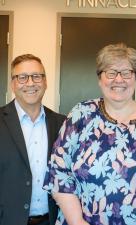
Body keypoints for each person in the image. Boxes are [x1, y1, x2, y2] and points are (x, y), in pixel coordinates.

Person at [43, 43, 136, 225]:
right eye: (111, 72)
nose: (118, 80)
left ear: (135, 78)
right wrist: (77, 222)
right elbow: (58, 170)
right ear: (100, 78)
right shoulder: (81, 114)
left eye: (126, 72)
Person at [0, 54, 66, 225]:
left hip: (51, 220)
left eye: (36, 76)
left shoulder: (62, 124)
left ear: (45, 82)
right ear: (13, 84)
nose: (30, 83)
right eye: (22, 77)